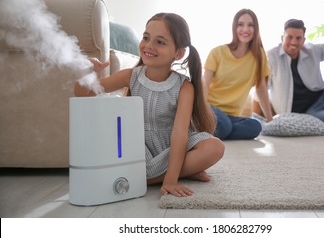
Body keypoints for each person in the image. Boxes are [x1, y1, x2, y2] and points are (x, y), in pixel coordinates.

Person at [74, 13, 225, 197]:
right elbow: (82, 94)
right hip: (138, 147)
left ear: (179, 53)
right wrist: (89, 73)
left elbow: (179, 134)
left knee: (215, 147)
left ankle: (156, 176)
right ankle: (180, 172)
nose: (149, 46)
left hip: (172, 145)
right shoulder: (130, 76)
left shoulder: (184, 87)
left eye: (160, 42)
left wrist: (171, 181)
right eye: (146, 38)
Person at [203, 9, 273, 140]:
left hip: (232, 116)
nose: (245, 29)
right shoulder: (217, 53)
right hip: (211, 108)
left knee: (255, 126)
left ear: (255, 28)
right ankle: (212, 127)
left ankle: (213, 130)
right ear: (234, 27)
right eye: (240, 24)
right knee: (223, 125)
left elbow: (261, 88)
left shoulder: (259, 56)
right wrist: (202, 110)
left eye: (250, 25)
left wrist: (270, 120)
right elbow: (204, 84)